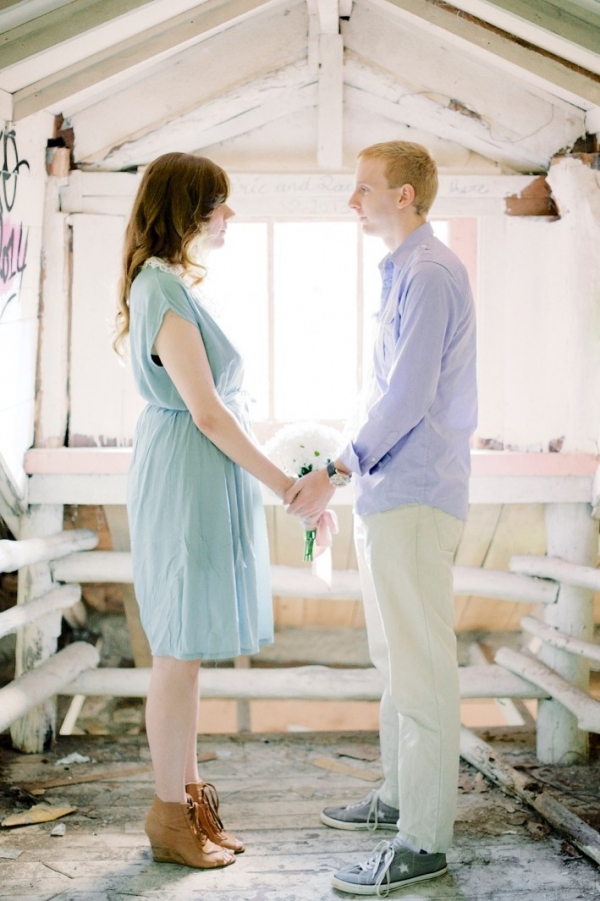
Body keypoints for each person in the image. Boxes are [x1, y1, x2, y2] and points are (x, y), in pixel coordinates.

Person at [285, 140, 477, 894]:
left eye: (364, 189)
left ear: (405, 195)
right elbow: (384, 397)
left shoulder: (429, 275)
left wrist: (336, 469)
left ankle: (424, 840)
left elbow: (408, 398)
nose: (352, 201)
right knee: (395, 661)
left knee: (422, 670)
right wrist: (350, 471)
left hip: (417, 497)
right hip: (392, 495)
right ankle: (399, 799)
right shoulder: (405, 272)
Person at [114, 152, 296, 869]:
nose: (229, 216)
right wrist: (285, 482)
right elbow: (209, 413)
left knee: (185, 654)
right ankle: (169, 814)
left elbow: (215, 414)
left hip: (194, 472)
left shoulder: (170, 285)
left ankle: (189, 804)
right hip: (185, 472)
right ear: (187, 209)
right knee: (177, 652)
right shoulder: (159, 286)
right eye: (219, 203)